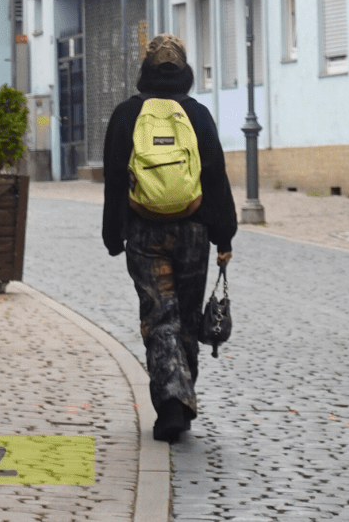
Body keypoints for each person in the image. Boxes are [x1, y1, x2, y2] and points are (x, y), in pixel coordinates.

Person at [102, 33, 237, 443]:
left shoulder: (127, 115)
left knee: (159, 314)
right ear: (185, 71)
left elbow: (112, 179)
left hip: (145, 232)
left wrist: (114, 233)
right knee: (188, 318)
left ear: (145, 70)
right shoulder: (197, 115)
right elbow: (214, 177)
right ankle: (184, 394)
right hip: (193, 231)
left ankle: (170, 403)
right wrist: (224, 236)